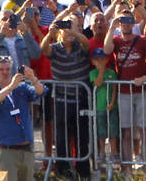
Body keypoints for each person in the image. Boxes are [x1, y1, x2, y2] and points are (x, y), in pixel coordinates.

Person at [41, 10, 92, 179]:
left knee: (81, 137)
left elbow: (87, 45)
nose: (68, 32)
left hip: (81, 99)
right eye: (65, 28)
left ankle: (83, 171)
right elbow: (44, 49)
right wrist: (50, 33)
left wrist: (75, 32)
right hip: (62, 99)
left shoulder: (80, 45)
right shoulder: (55, 48)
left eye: (71, 27)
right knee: (61, 138)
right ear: (60, 32)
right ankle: (63, 171)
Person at [104, 10, 146, 168]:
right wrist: (112, 27)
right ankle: (127, 169)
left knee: (145, 130)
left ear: (133, 22)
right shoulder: (116, 41)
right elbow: (106, 50)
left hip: (142, 91)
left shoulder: (143, 41)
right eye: (122, 20)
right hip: (124, 91)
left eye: (129, 20)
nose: (126, 23)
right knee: (126, 131)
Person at [0, 55, 44, 181]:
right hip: (6, 152)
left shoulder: (21, 88)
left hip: (26, 150)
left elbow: (40, 91)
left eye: (7, 69)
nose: (5, 72)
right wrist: (11, 86)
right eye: (1, 69)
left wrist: (32, 78)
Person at [89, 47, 120, 164]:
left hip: (112, 107)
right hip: (99, 107)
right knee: (101, 132)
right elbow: (98, 82)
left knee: (113, 131)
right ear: (93, 62)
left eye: (102, 59)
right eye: (97, 60)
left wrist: (112, 102)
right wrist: (101, 71)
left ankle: (114, 152)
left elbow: (114, 89)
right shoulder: (93, 73)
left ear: (106, 60)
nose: (100, 62)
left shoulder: (112, 73)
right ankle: (102, 152)